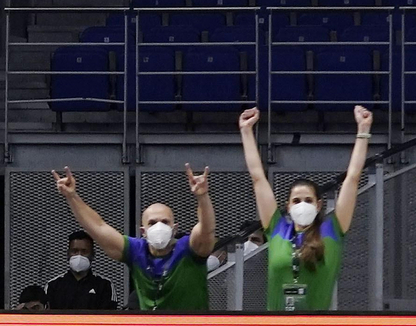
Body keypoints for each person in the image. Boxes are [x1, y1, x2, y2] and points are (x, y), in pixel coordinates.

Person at [239, 105, 371, 312]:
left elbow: (352, 178)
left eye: (308, 200)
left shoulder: (332, 230)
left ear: (318, 205)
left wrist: (363, 131)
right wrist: (246, 131)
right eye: (297, 200)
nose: (303, 204)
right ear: (288, 206)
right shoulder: (277, 229)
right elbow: (258, 178)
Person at [54, 164, 216, 312]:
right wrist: (72, 196)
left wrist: (203, 197)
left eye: (165, 222)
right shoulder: (136, 251)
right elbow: (98, 227)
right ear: (143, 231)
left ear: (174, 229)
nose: (159, 227)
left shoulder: (190, 249)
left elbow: (206, 229)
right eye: (152, 223)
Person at [45, 231, 115, 310]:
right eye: (74, 251)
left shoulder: (105, 285)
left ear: (93, 255)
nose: (79, 255)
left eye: (84, 251)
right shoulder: (53, 285)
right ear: (68, 254)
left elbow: (110, 315)